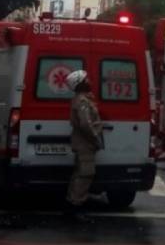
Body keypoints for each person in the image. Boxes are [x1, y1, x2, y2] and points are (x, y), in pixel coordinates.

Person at [65, 70, 103, 222]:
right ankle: (76, 208)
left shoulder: (83, 99)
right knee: (85, 175)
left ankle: (71, 206)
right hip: (85, 144)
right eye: (87, 79)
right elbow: (85, 124)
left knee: (79, 174)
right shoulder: (82, 101)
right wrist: (95, 139)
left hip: (83, 143)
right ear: (80, 83)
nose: (90, 81)